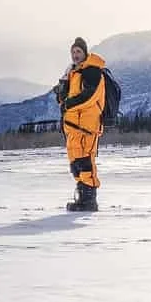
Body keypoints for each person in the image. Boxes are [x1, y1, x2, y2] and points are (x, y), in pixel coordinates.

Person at [57, 37, 119, 211]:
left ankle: (89, 201)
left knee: (85, 161)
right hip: (73, 126)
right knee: (75, 162)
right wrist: (61, 94)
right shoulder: (73, 72)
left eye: (78, 52)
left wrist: (69, 103)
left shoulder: (92, 71)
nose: (75, 55)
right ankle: (82, 198)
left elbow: (90, 97)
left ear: (85, 52)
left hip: (87, 125)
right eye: (73, 52)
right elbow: (65, 99)